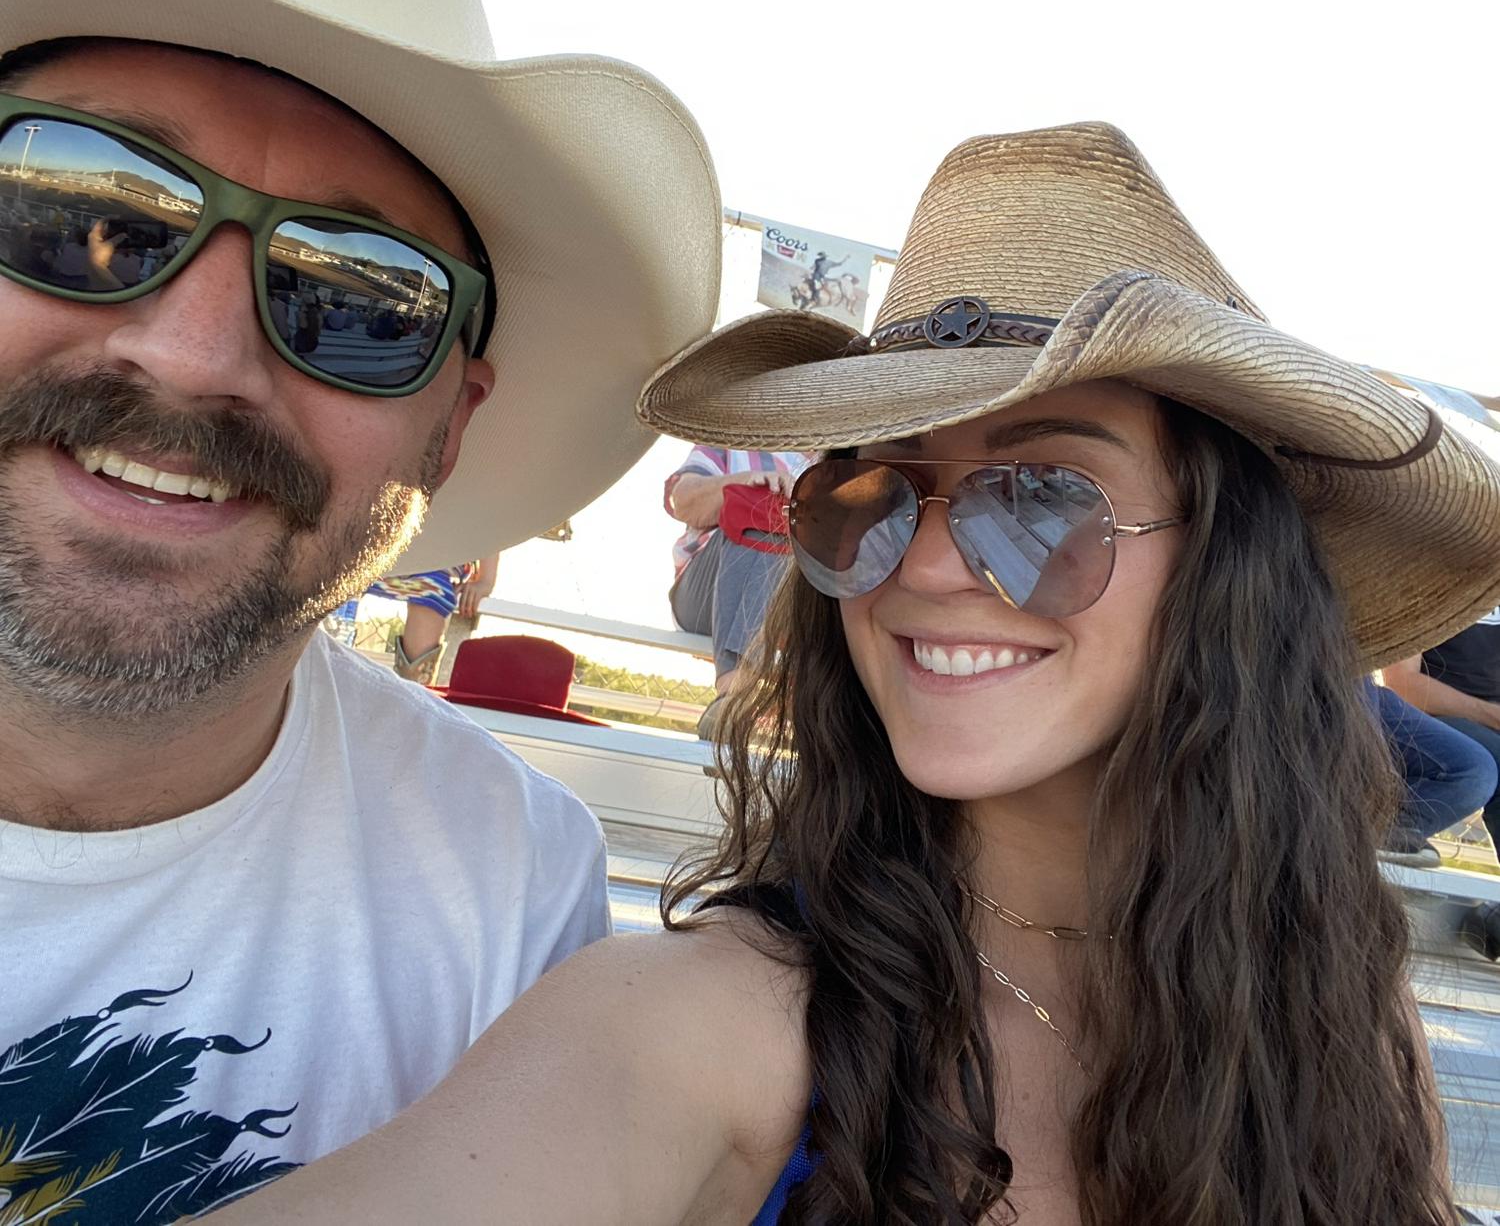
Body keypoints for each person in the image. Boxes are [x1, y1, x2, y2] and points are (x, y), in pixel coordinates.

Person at [217, 123, 1496, 1225]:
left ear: (1226, 563)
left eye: (1043, 495)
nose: (922, 568)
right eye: (869, 491)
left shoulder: (1338, 1009)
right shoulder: (704, 1029)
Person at [0, 0, 720, 1217]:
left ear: (449, 430)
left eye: (357, 297)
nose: (196, 354)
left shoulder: (508, 887)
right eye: (87, 212)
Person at [666, 446, 808, 710]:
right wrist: (745, 481)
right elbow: (682, 501)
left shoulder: (844, 463)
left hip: (798, 598)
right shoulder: (734, 443)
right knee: (770, 501)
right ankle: (734, 695)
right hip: (706, 595)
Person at [1384, 607, 1500, 860]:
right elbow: (1403, 684)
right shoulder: (1423, 592)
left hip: (1487, 721)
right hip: (1426, 717)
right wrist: (1491, 714)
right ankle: (1387, 828)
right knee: (1489, 762)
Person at [1370, 681, 1498, 867]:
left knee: (1478, 769)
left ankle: (1392, 825)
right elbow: (1404, 683)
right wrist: (1491, 714)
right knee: (1475, 772)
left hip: (1371, 693)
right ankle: (1382, 827)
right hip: (1433, 713)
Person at [365, 551, 501, 685]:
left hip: (442, 557)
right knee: (356, 566)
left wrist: (486, 580)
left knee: (431, 595)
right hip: (377, 550)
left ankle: (413, 687)